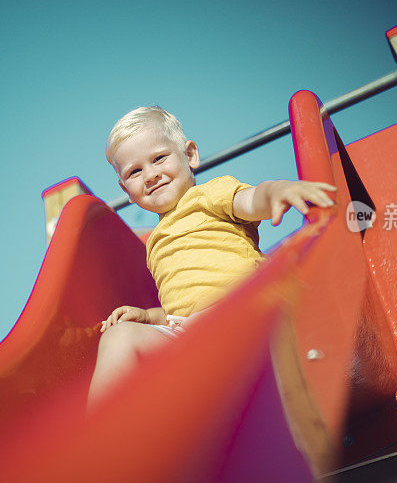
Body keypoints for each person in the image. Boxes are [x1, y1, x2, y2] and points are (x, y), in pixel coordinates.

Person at [86, 106, 336, 411]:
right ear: (127, 190)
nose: (150, 175)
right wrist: (149, 317)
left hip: (244, 312)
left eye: (159, 158)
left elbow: (249, 200)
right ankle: (102, 440)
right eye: (135, 172)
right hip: (189, 337)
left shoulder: (208, 195)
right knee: (119, 338)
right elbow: (184, 303)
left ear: (190, 155)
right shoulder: (154, 243)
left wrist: (275, 191)